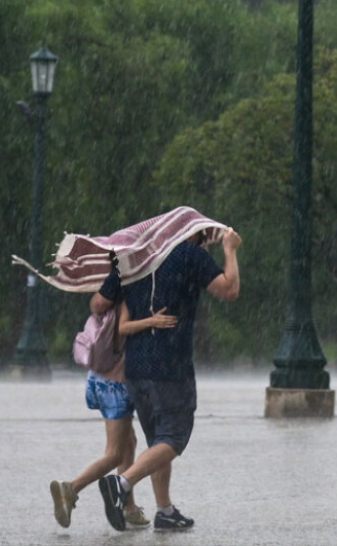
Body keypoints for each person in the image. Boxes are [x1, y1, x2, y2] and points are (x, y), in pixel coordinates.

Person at [97, 227, 241, 532]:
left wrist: (129, 297)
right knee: (173, 438)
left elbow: (98, 304)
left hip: (136, 367)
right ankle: (121, 484)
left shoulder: (133, 259)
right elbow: (229, 290)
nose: (204, 244)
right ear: (192, 236)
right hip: (171, 366)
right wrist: (230, 250)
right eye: (202, 239)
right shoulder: (190, 255)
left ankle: (165, 511)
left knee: (156, 441)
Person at [49, 257, 173, 530]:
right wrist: (152, 321)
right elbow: (123, 328)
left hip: (101, 377)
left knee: (129, 441)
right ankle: (70, 489)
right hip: (115, 384)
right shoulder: (129, 291)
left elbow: (98, 306)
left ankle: (128, 508)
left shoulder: (110, 289)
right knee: (116, 453)